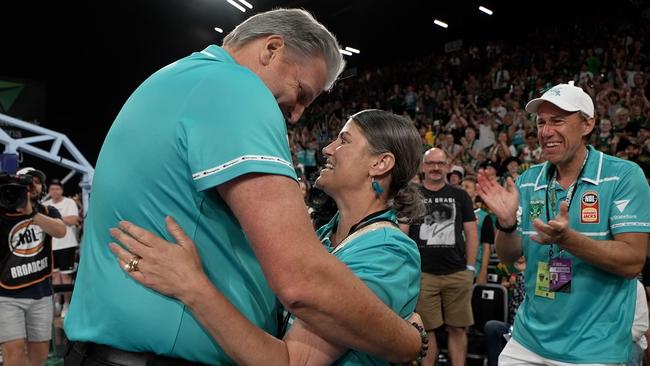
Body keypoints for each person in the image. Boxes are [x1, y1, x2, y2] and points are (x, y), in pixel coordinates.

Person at [64, 9, 424, 366]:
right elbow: (301, 281)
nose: (297, 114)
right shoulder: (237, 88)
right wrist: (407, 341)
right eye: (301, 92)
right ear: (271, 49)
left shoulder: (181, 78)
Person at [109, 109, 428, 365]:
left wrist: (191, 286)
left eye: (344, 141)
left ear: (381, 163)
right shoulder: (321, 236)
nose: (327, 149)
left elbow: (292, 362)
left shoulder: (388, 250)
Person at [477, 82, 650, 364]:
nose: (546, 132)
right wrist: (507, 225)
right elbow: (509, 255)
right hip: (527, 340)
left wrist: (567, 239)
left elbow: (632, 261)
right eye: (541, 122)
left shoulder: (624, 176)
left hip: (592, 348)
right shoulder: (527, 180)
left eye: (558, 121)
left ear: (587, 124)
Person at [402, 148, 479, 366]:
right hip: (424, 275)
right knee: (427, 331)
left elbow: (472, 232)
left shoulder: (460, 195)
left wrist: (471, 267)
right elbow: (403, 233)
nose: (436, 168)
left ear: (447, 166)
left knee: (457, 328)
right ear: (423, 167)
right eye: (431, 163)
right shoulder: (412, 195)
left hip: (457, 273)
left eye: (440, 163)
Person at [0, 167, 66, 366]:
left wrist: (32, 213)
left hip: (41, 294)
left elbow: (61, 231)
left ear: (42, 187)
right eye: (26, 183)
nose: (31, 186)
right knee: (14, 353)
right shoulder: (3, 212)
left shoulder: (47, 211)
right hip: (7, 296)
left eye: (35, 181)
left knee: (39, 357)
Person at [43, 179, 81, 319]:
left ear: (62, 190)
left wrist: (54, 219)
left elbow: (73, 220)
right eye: (52, 189)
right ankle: (57, 303)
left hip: (67, 244)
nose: (55, 191)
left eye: (57, 189)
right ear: (49, 191)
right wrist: (59, 220)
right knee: (54, 276)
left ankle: (67, 304)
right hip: (51, 245)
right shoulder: (45, 204)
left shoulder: (69, 202)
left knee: (66, 276)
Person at [460, 176, 495, 284]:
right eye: (461, 186)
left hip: (475, 268)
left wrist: (483, 272)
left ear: (476, 192)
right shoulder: (453, 213)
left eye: (467, 187)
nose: (463, 189)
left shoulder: (484, 217)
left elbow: (486, 247)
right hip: (453, 269)